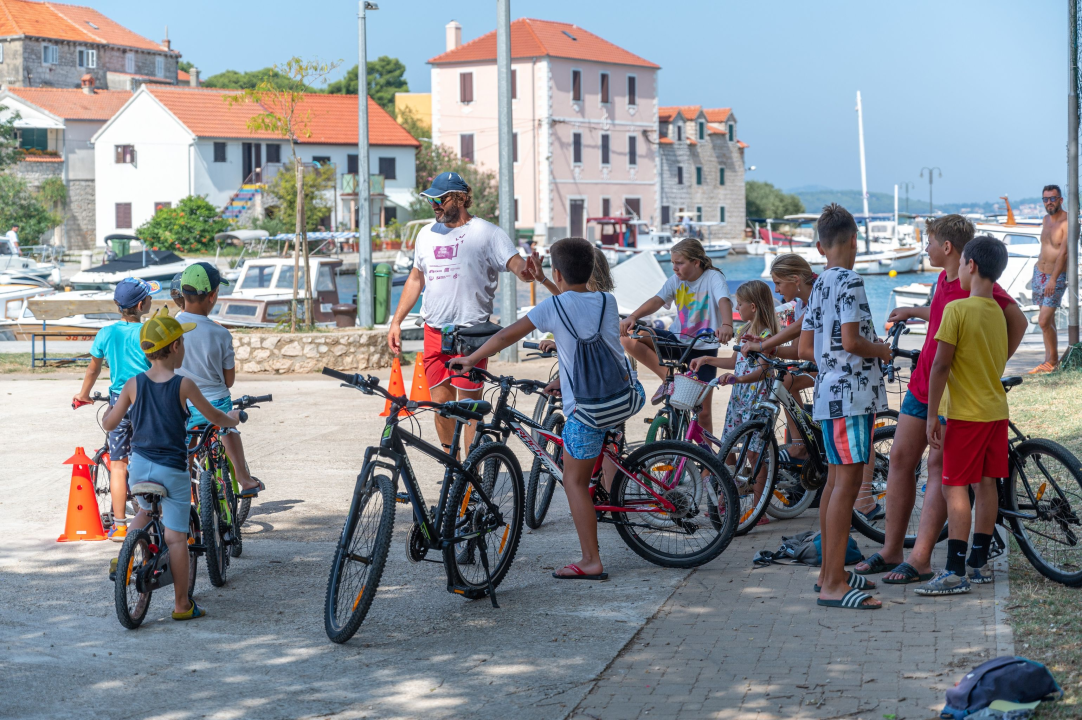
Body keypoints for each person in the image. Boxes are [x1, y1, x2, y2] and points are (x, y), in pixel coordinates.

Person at [451, 237, 643, 580]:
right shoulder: (607, 301)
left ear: (557, 272)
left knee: (573, 481)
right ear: (591, 269)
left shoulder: (552, 308)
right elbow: (575, 305)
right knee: (593, 454)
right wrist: (543, 280)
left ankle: (591, 560)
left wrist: (471, 359)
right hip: (625, 397)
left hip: (589, 410)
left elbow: (507, 336)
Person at [854, 216, 1026, 583]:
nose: (925, 248)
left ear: (949, 248)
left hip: (953, 395)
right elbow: (941, 313)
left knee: (939, 469)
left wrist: (989, 366)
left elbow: (1018, 321)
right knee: (900, 458)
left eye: (929, 242)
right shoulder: (945, 280)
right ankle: (891, 549)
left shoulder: (980, 285)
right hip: (922, 384)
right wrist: (913, 312)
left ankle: (921, 558)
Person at [104, 308, 242, 620]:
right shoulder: (184, 384)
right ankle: (182, 605)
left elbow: (110, 424)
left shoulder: (133, 384)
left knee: (144, 511)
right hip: (172, 469)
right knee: (176, 537)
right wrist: (232, 418)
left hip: (140, 467)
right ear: (176, 347)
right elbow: (215, 417)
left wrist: (109, 413)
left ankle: (125, 558)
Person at [386, 172, 536, 454]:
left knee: (469, 409)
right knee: (440, 405)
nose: (434, 205)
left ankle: (471, 471)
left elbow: (517, 265)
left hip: (472, 334)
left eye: (440, 199)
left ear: (461, 198)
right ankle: (451, 463)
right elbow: (416, 279)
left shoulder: (487, 233)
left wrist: (527, 272)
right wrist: (396, 322)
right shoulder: (426, 234)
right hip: (435, 332)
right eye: (431, 200)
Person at [798, 204, 891, 610]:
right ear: (855, 240)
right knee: (847, 487)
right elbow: (852, 342)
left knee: (835, 484)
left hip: (828, 394)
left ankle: (828, 572)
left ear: (821, 247)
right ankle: (834, 583)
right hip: (851, 397)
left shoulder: (819, 283)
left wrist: (832, 362)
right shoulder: (850, 281)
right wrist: (882, 351)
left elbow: (806, 348)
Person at [916, 237, 1012, 596]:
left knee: (953, 486)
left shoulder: (957, 309)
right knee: (986, 484)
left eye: (960, 264)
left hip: (966, 415)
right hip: (995, 412)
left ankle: (954, 571)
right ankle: (978, 562)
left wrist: (931, 416)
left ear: (970, 265)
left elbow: (940, 366)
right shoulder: (998, 313)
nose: (957, 269)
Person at [620, 238, 734, 436]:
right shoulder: (675, 280)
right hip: (676, 341)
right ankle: (668, 379)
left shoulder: (712, 277)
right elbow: (657, 300)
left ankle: (706, 456)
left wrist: (727, 325)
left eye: (679, 263)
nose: (674, 267)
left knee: (703, 413)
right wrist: (633, 317)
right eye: (673, 262)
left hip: (703, 349)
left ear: (696, 262)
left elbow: (724, 300)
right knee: (629, 336)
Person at [73, 278, 157, 541]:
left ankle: (120, 525)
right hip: (146, 401)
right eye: (149, 298)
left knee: (118, 464)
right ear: (142, 305)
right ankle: (155, 516)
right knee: (152, 458)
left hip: (119, 402)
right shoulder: (149, 332)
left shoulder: (105, 333)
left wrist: (83, 395)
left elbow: (93, 369)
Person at [690, 279, 778, 526]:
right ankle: (728, 498)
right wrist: (708, 359)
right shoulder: (745, 330)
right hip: (739, 399)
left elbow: (762, 371)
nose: (736, 308)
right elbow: (735, 362)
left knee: (754, 454)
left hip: (757, 400)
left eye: (739, 304)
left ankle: (760, 509)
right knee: (727, 447)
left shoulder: (767, 337)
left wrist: (738, 378)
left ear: (753, 306)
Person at [175, 262, 262, 496]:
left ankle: (185, 490)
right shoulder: (220, 333)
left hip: (182, 404)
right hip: (215, 402)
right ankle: (244, 478)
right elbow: (229, 380)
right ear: (212, 296)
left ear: (182, 292)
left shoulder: (171, 328)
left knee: (185, 445)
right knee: (228, 428)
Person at [744, 254, 817, 462]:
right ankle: (801, 442)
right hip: (819, 363)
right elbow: (796, 351)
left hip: (834, 364)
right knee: (785, 381)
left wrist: (763, 345)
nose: (776, 290)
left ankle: (801, 444)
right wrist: (769, 348)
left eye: (778, 283)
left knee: (786, 381)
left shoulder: (817, 297)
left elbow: (799, 327)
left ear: (795, 280)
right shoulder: (801, 304)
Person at [1030, 185, 1070, 373]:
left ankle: (1053, 360)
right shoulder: (1045, 220)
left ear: (1060, 200)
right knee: (1048, 322)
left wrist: (1053, 279)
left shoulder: (1067, 222)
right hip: (1039, 272)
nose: (1049, 202)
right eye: (1045, 199)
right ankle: (1048, 361)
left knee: (1043, 321)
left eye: (1052, 198)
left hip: (1056, 275)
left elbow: (1064, 253)